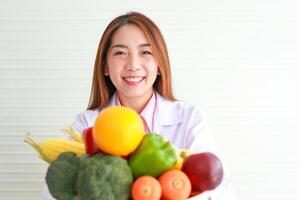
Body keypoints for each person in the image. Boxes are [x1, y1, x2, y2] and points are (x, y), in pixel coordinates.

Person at [42, 11, 236, 200]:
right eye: (120, 53)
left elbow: (221, 189)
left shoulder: (190, 118)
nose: (133, 65)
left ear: (159, 64)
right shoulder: (87, 123)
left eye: (146, 52)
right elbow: (54, 193)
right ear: (105, 66)